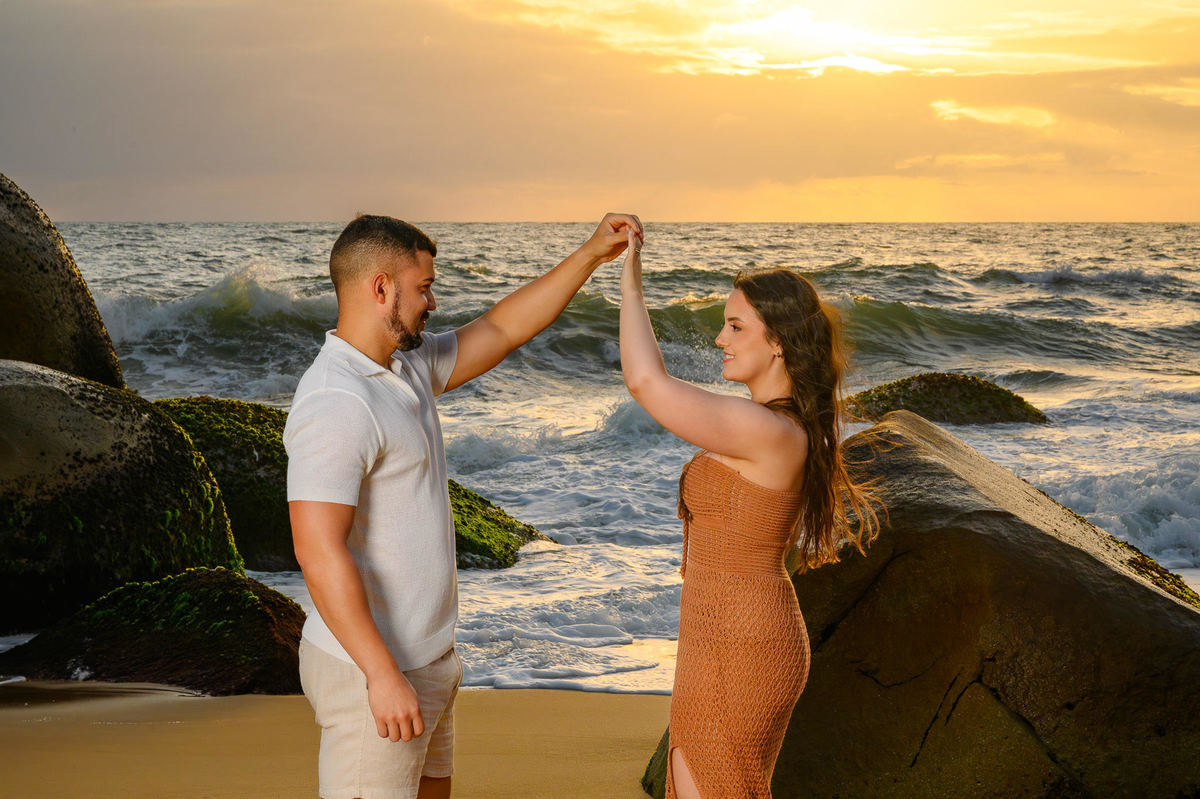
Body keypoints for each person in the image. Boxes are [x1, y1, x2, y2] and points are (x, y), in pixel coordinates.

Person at [284, 212, 642, 799]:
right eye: (422, 286)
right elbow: (316, 549)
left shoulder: (405, 365)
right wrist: (381, 674)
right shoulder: (336, 400)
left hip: (428, 660)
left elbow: (502, 328)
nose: (432, 300)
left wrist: (591, 254)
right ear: (381, 287)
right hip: (371, 669)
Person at [618, 230, 881, 798]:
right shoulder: (769, 424)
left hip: (744, 641)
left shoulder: (768, 431)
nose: (719, 338)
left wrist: (630, 278)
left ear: (780, 342)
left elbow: (645, 381)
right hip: (718, 635)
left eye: (735, 327)